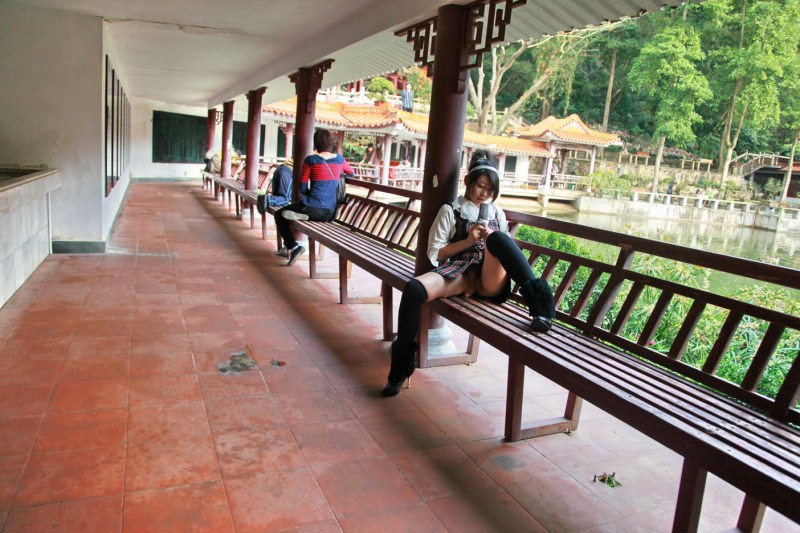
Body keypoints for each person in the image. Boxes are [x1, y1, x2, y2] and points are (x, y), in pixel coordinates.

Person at [381, 150, 556, 397]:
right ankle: (398, 371)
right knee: (414, 289)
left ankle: (542, 310)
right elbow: (435, 252)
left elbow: (506, 252)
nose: (484, 193)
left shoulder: (496, 213)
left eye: (490, 189)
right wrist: (467, 241)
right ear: (467, 181)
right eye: (480, 186)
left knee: (498, 238)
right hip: (460, 273)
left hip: (490, 279)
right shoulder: (450, 210)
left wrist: (489, 239)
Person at [274, 129, 354, 266]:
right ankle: (307, 215)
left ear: (315, 143)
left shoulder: (310, 160)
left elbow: (302, 188)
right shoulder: (340, 159)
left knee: (279, 214)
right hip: (330, 212)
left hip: (312, 206)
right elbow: (351, 173)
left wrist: (312, 193)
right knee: (303, 210)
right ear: (332, 143)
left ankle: (293, 246)